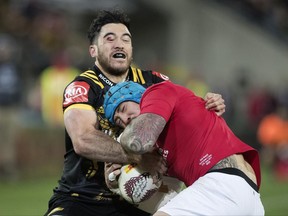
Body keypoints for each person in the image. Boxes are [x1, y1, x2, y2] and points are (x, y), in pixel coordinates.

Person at [44, 9, 226, 216]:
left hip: (141, 197)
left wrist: (209, 105)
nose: (119, 44)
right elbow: (83, 139)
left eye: (125, 39)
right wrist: (137, 157)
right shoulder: (83, 87)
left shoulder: (154, 82)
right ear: (93, 50)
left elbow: (186, 116)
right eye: (109, 39)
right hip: (82, 197)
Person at [103, 81, 265, 216]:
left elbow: (138, 139)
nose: (124, 119)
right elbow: (168, 196)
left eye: (123, 109)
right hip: (249, 199)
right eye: (118, 121)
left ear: (139, 98)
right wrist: (120, 182)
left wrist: (119, 150)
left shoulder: (157, 92)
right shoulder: (161, 146)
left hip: (224, 184)